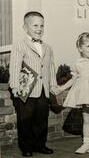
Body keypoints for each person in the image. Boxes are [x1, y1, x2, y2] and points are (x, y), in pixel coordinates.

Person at [9, 11, 59, 157]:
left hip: (42, 89)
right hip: (26, 89)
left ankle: (40, 145)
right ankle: (26, 147)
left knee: (41, 118)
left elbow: (51, 66)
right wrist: (15, 86)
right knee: (25, 119)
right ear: (25, 28)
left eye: (42, 26)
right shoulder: (20, 45)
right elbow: (14, 66)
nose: (39, 29)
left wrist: (53, 85)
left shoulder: (48, 47)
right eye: (35, 25)